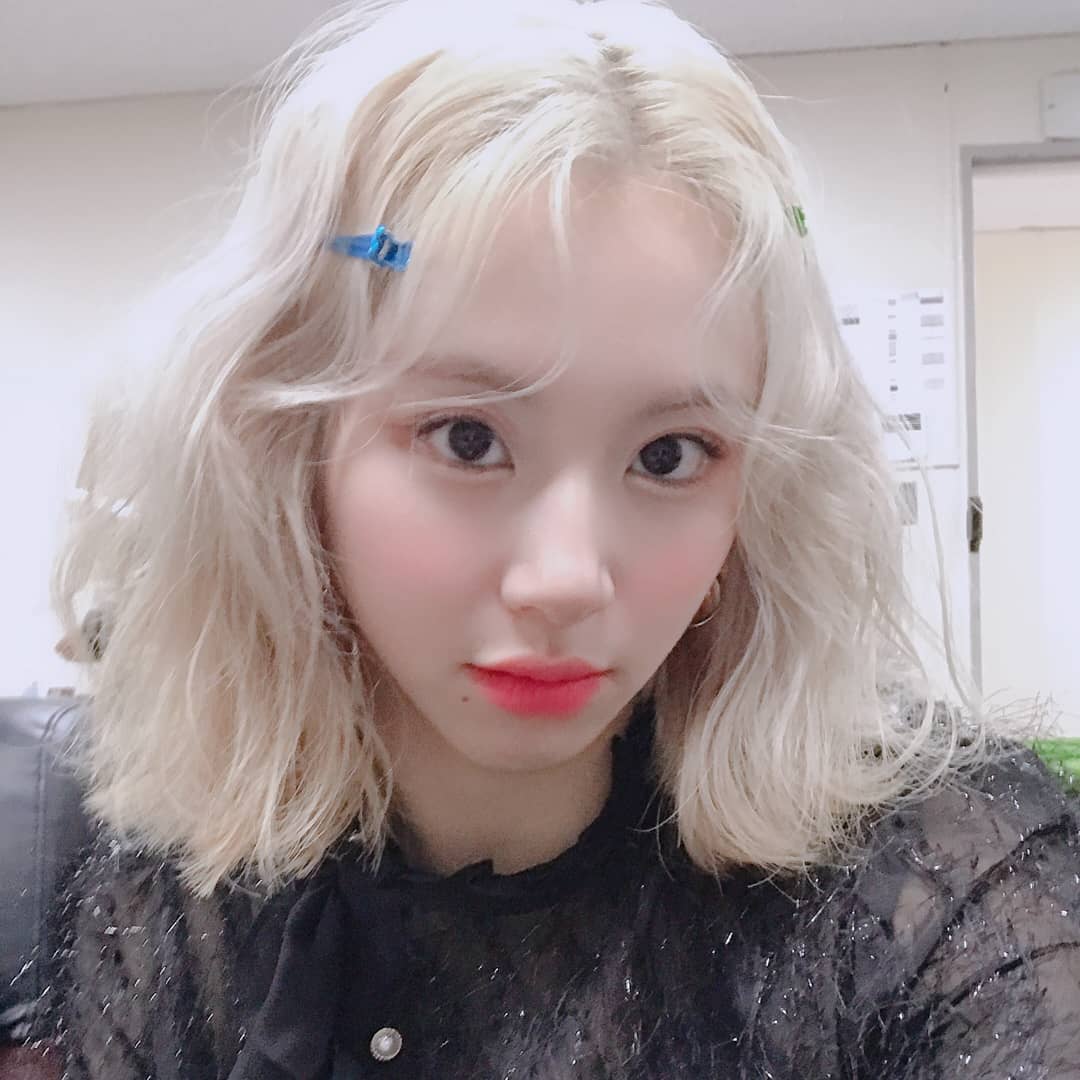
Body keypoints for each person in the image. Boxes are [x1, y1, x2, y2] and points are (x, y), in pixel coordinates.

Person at [38, 0, 1080, 1076]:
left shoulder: (948, 893)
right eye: (468, 438)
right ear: (290, 450)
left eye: (670, 454)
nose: (567, 579)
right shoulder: (178, 896)